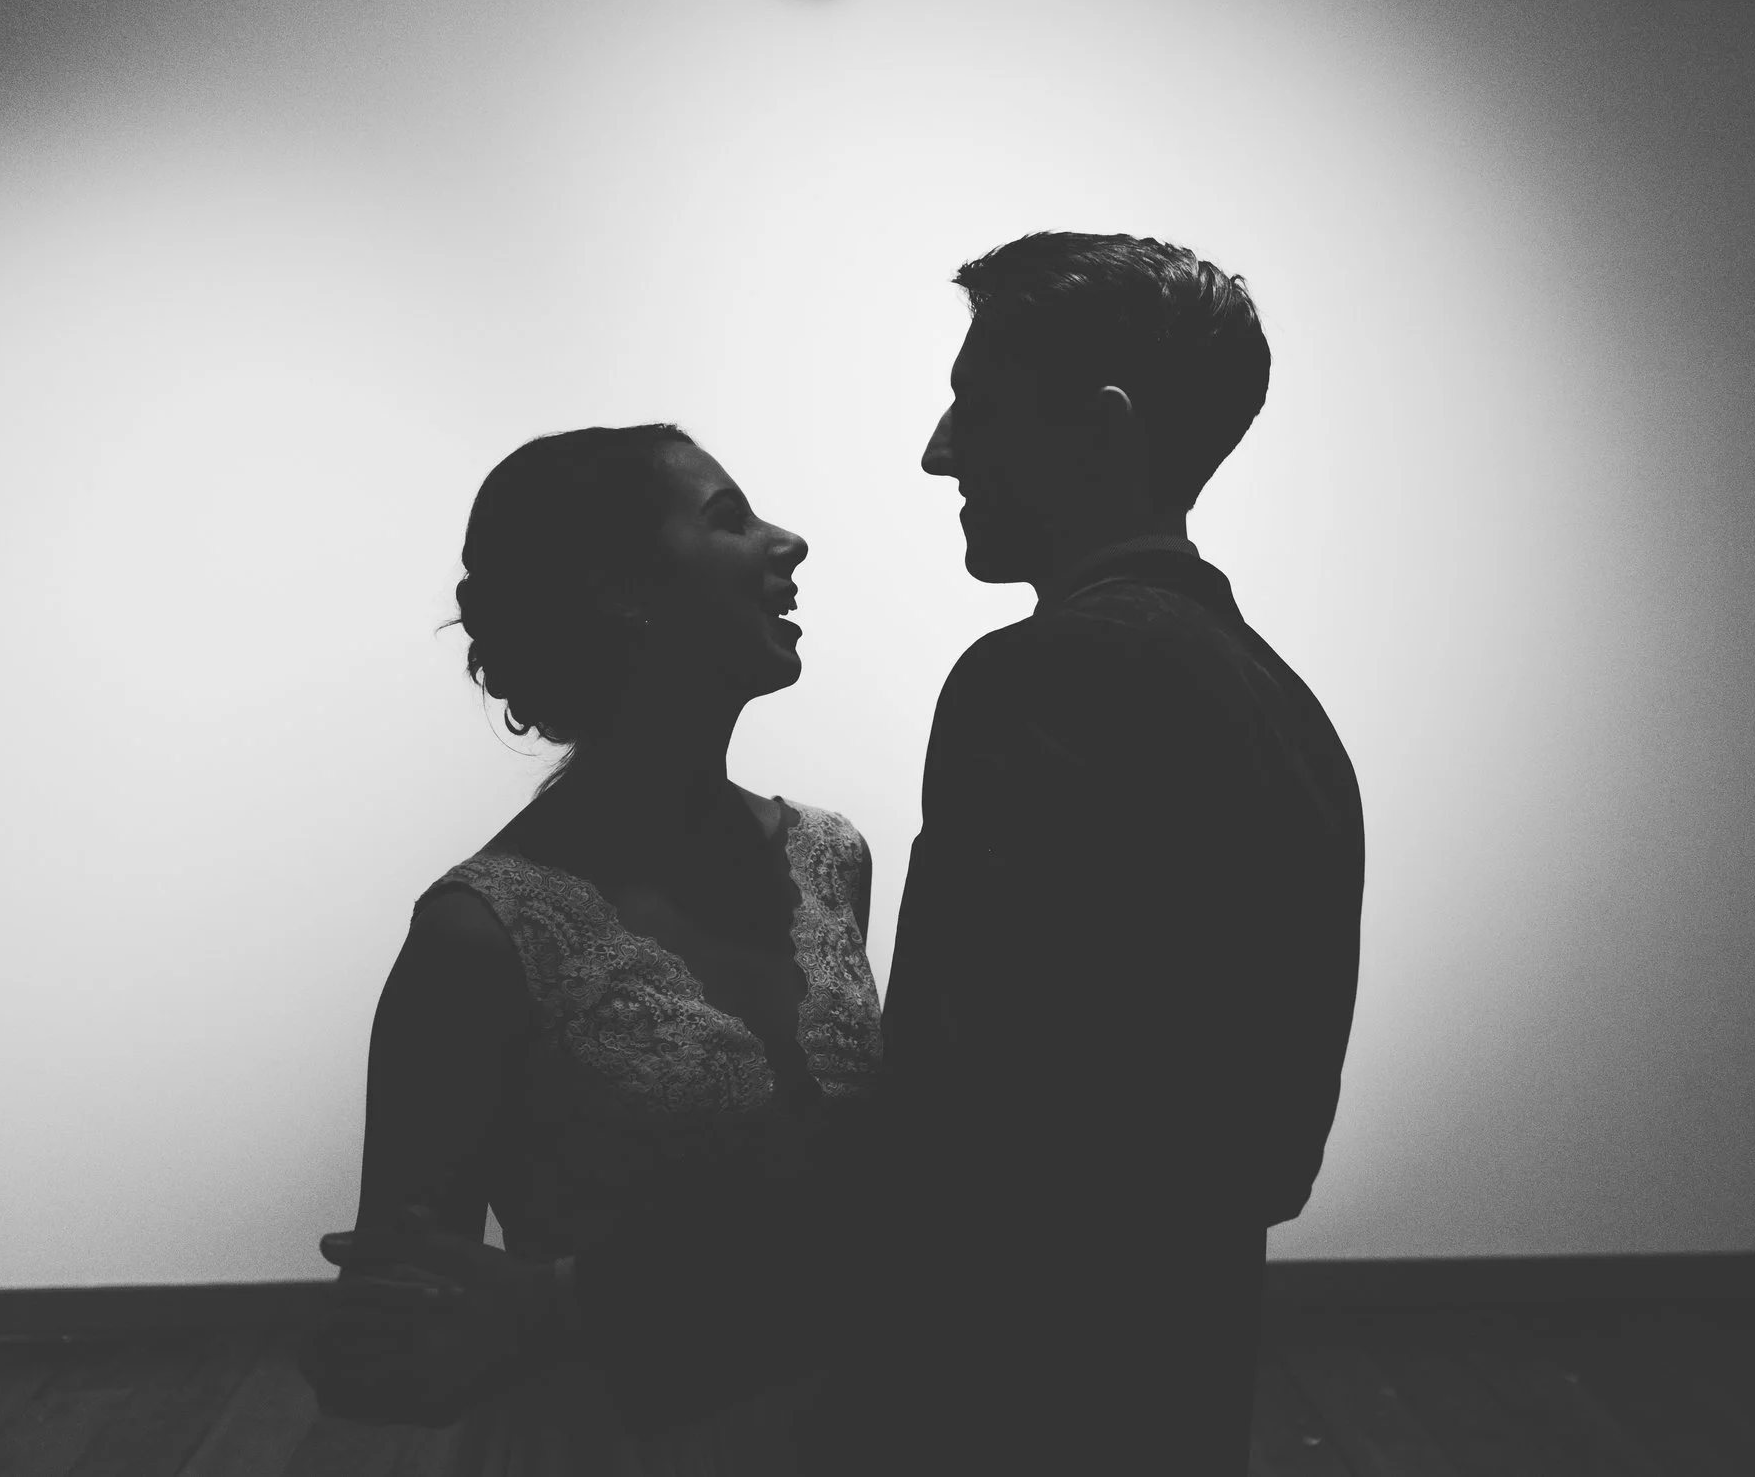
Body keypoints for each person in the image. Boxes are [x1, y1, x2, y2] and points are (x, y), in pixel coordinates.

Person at [320, 233, 1367, 1475]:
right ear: (621, 591)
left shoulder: (1021, 698)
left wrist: (565, 1302)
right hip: (1147, 1385)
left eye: (978, 406)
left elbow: (965, 1132)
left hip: (1024, 1399)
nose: (938, 449)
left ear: (1100, 429)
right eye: (728, 517)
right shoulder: (1287, 708)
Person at [300, 423, 886, 1475]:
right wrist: (406, 1332)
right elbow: (393, 1337)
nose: (787, 540)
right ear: (624, 589)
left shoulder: (830, 857)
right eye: (730, 517)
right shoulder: (484, 933)